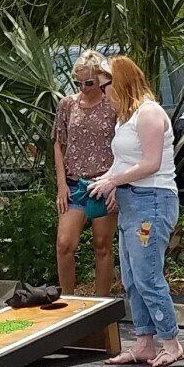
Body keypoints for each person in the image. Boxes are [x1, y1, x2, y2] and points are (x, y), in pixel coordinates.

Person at [88, 55, 184, 367]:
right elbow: (124, 161)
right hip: (131, 201)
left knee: (147, 275)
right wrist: (109, 181)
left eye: (106, 86)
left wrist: (114, 180)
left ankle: (171, 342)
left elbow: (151, 163)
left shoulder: (149, 113)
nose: (104, 93)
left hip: (152, 199)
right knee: (131, 275)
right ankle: (145, 341)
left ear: (122, 82)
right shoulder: (125, 117)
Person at [53, 50, 118, 296]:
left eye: (89, 82)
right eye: (78, 82)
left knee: (102, 246)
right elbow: (58, 142)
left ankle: (100, 304)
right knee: (64, 243)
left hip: (103, 182)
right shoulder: (67, 104)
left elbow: (124, 144)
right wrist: (61, 184)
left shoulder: (112, 106)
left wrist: (115, 183)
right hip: (75, 183)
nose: (83, 87)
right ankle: (67, 300)